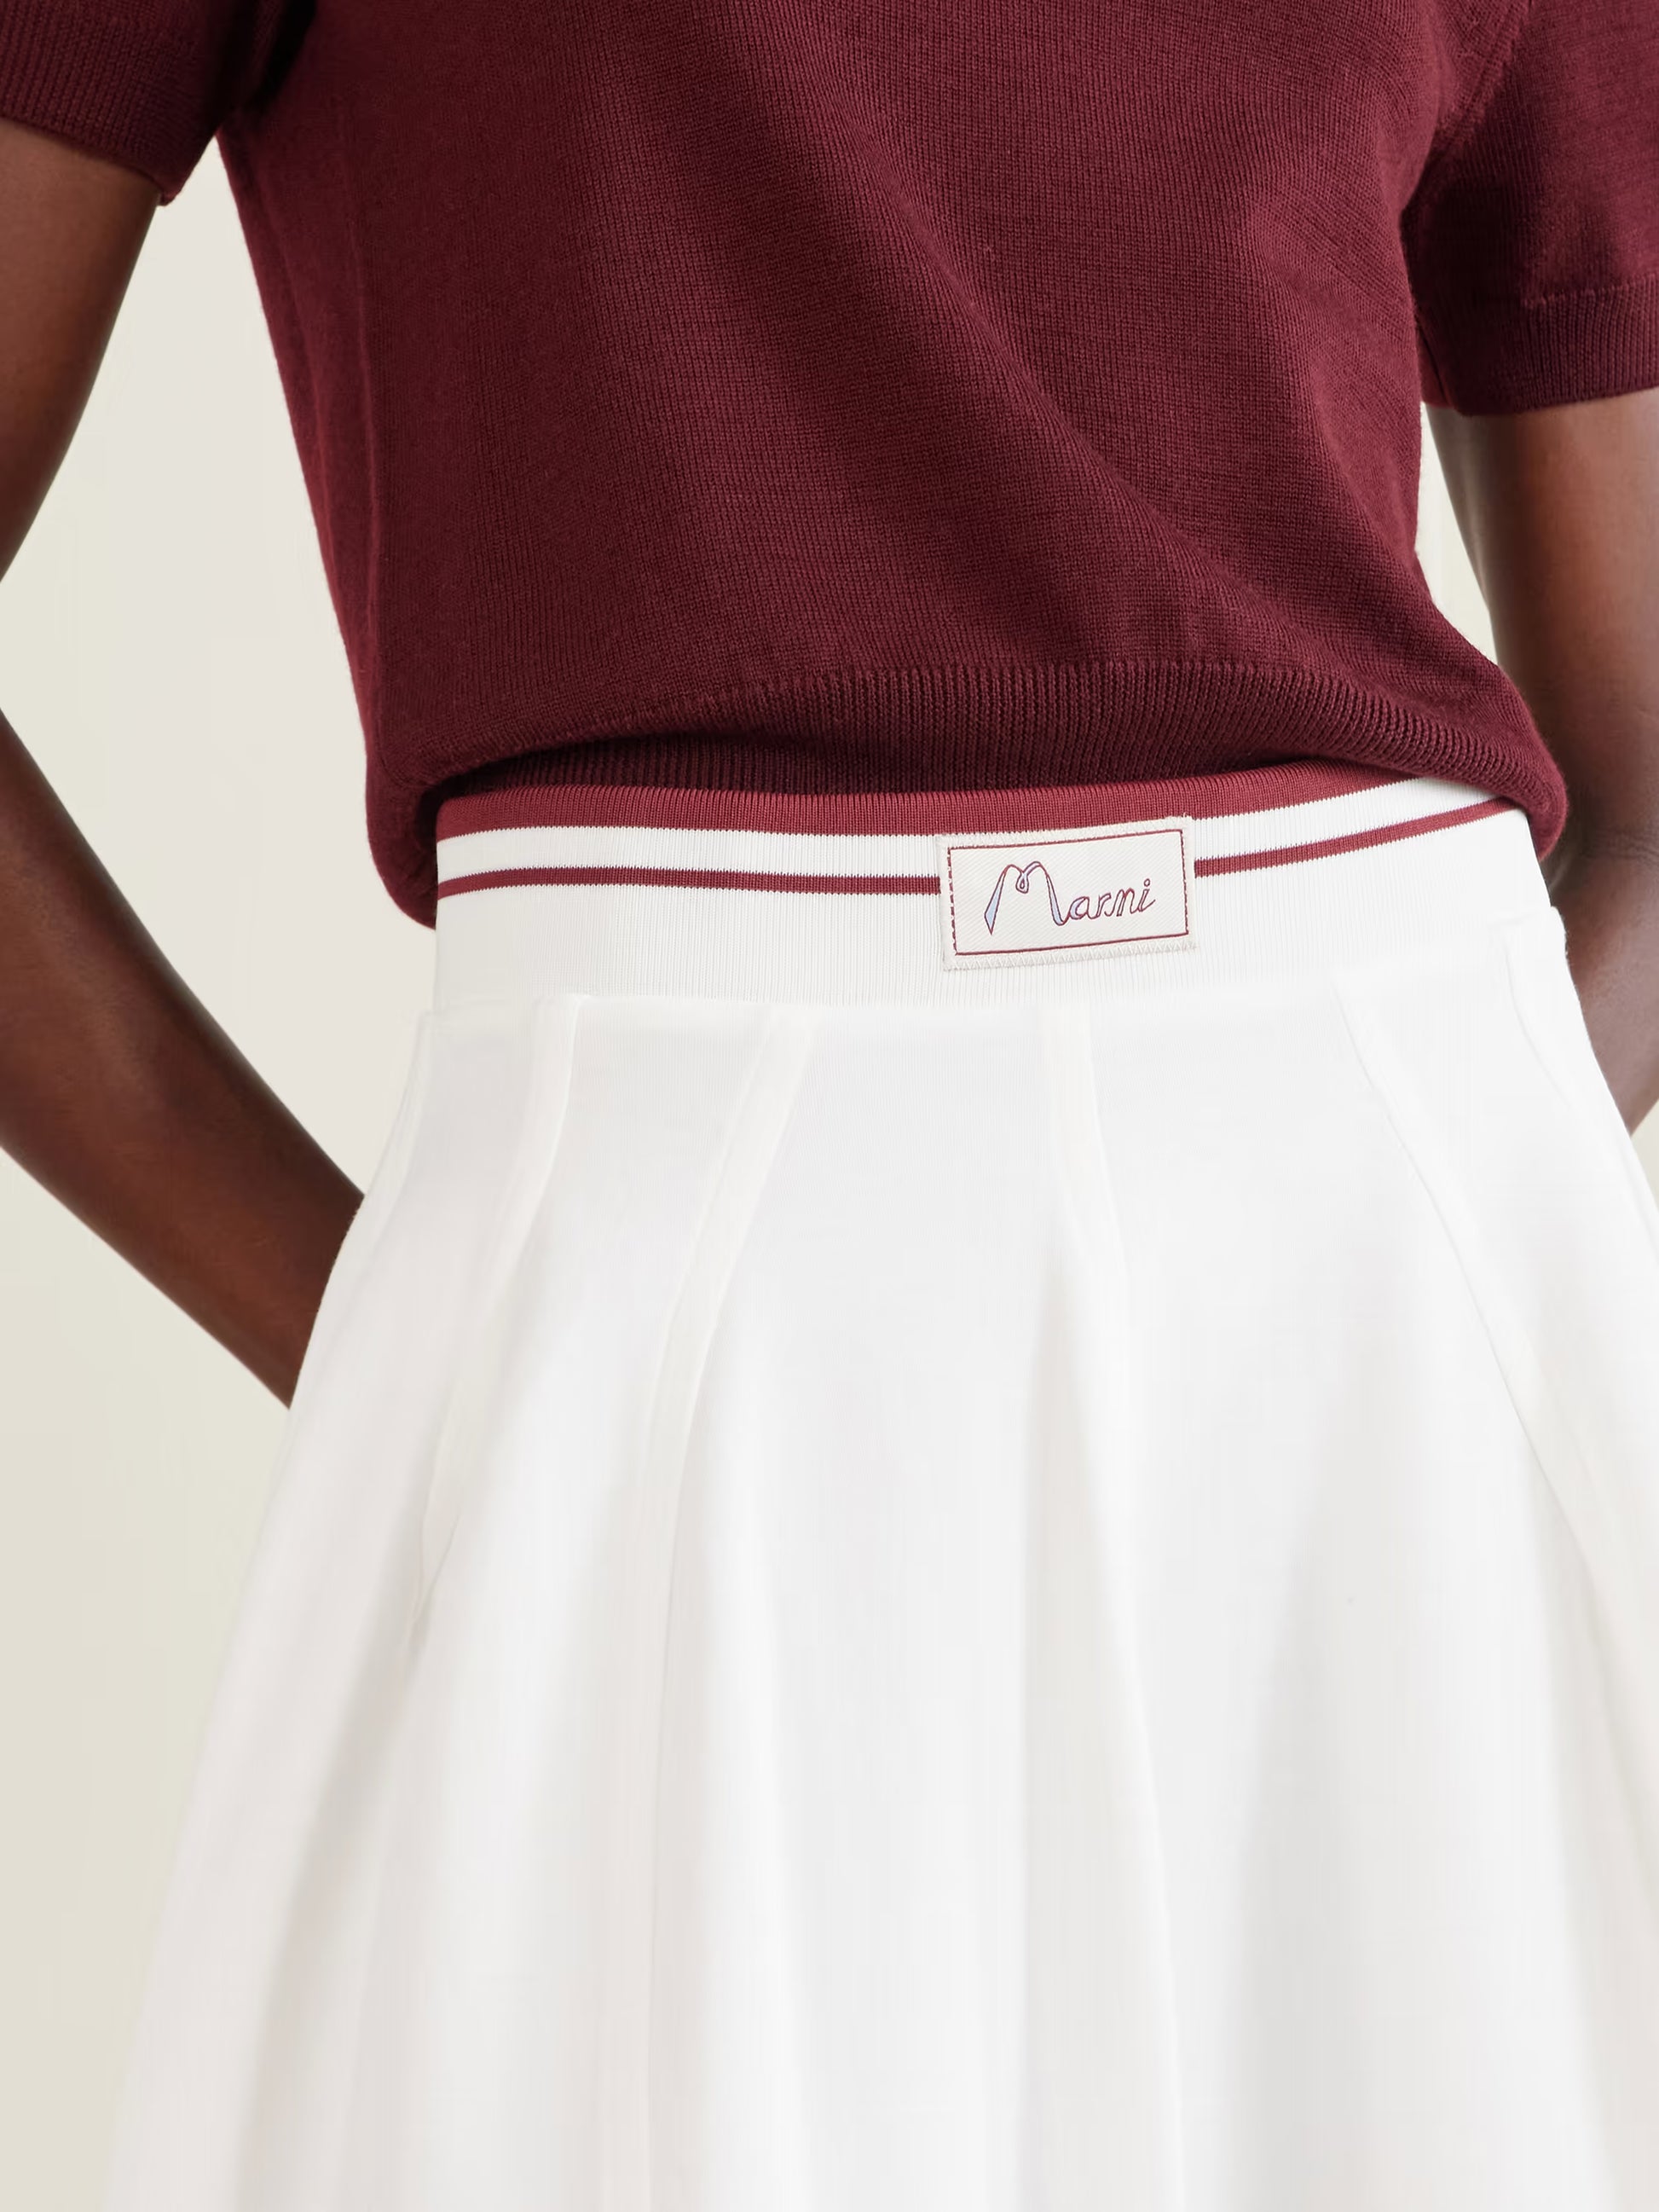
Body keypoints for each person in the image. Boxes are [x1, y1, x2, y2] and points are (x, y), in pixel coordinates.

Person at [3, 0, 1659, 2203]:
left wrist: (1444, 1197)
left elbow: (1650, 781)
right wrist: (397, 1325)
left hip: (1393, 1329)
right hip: (656, 1276)